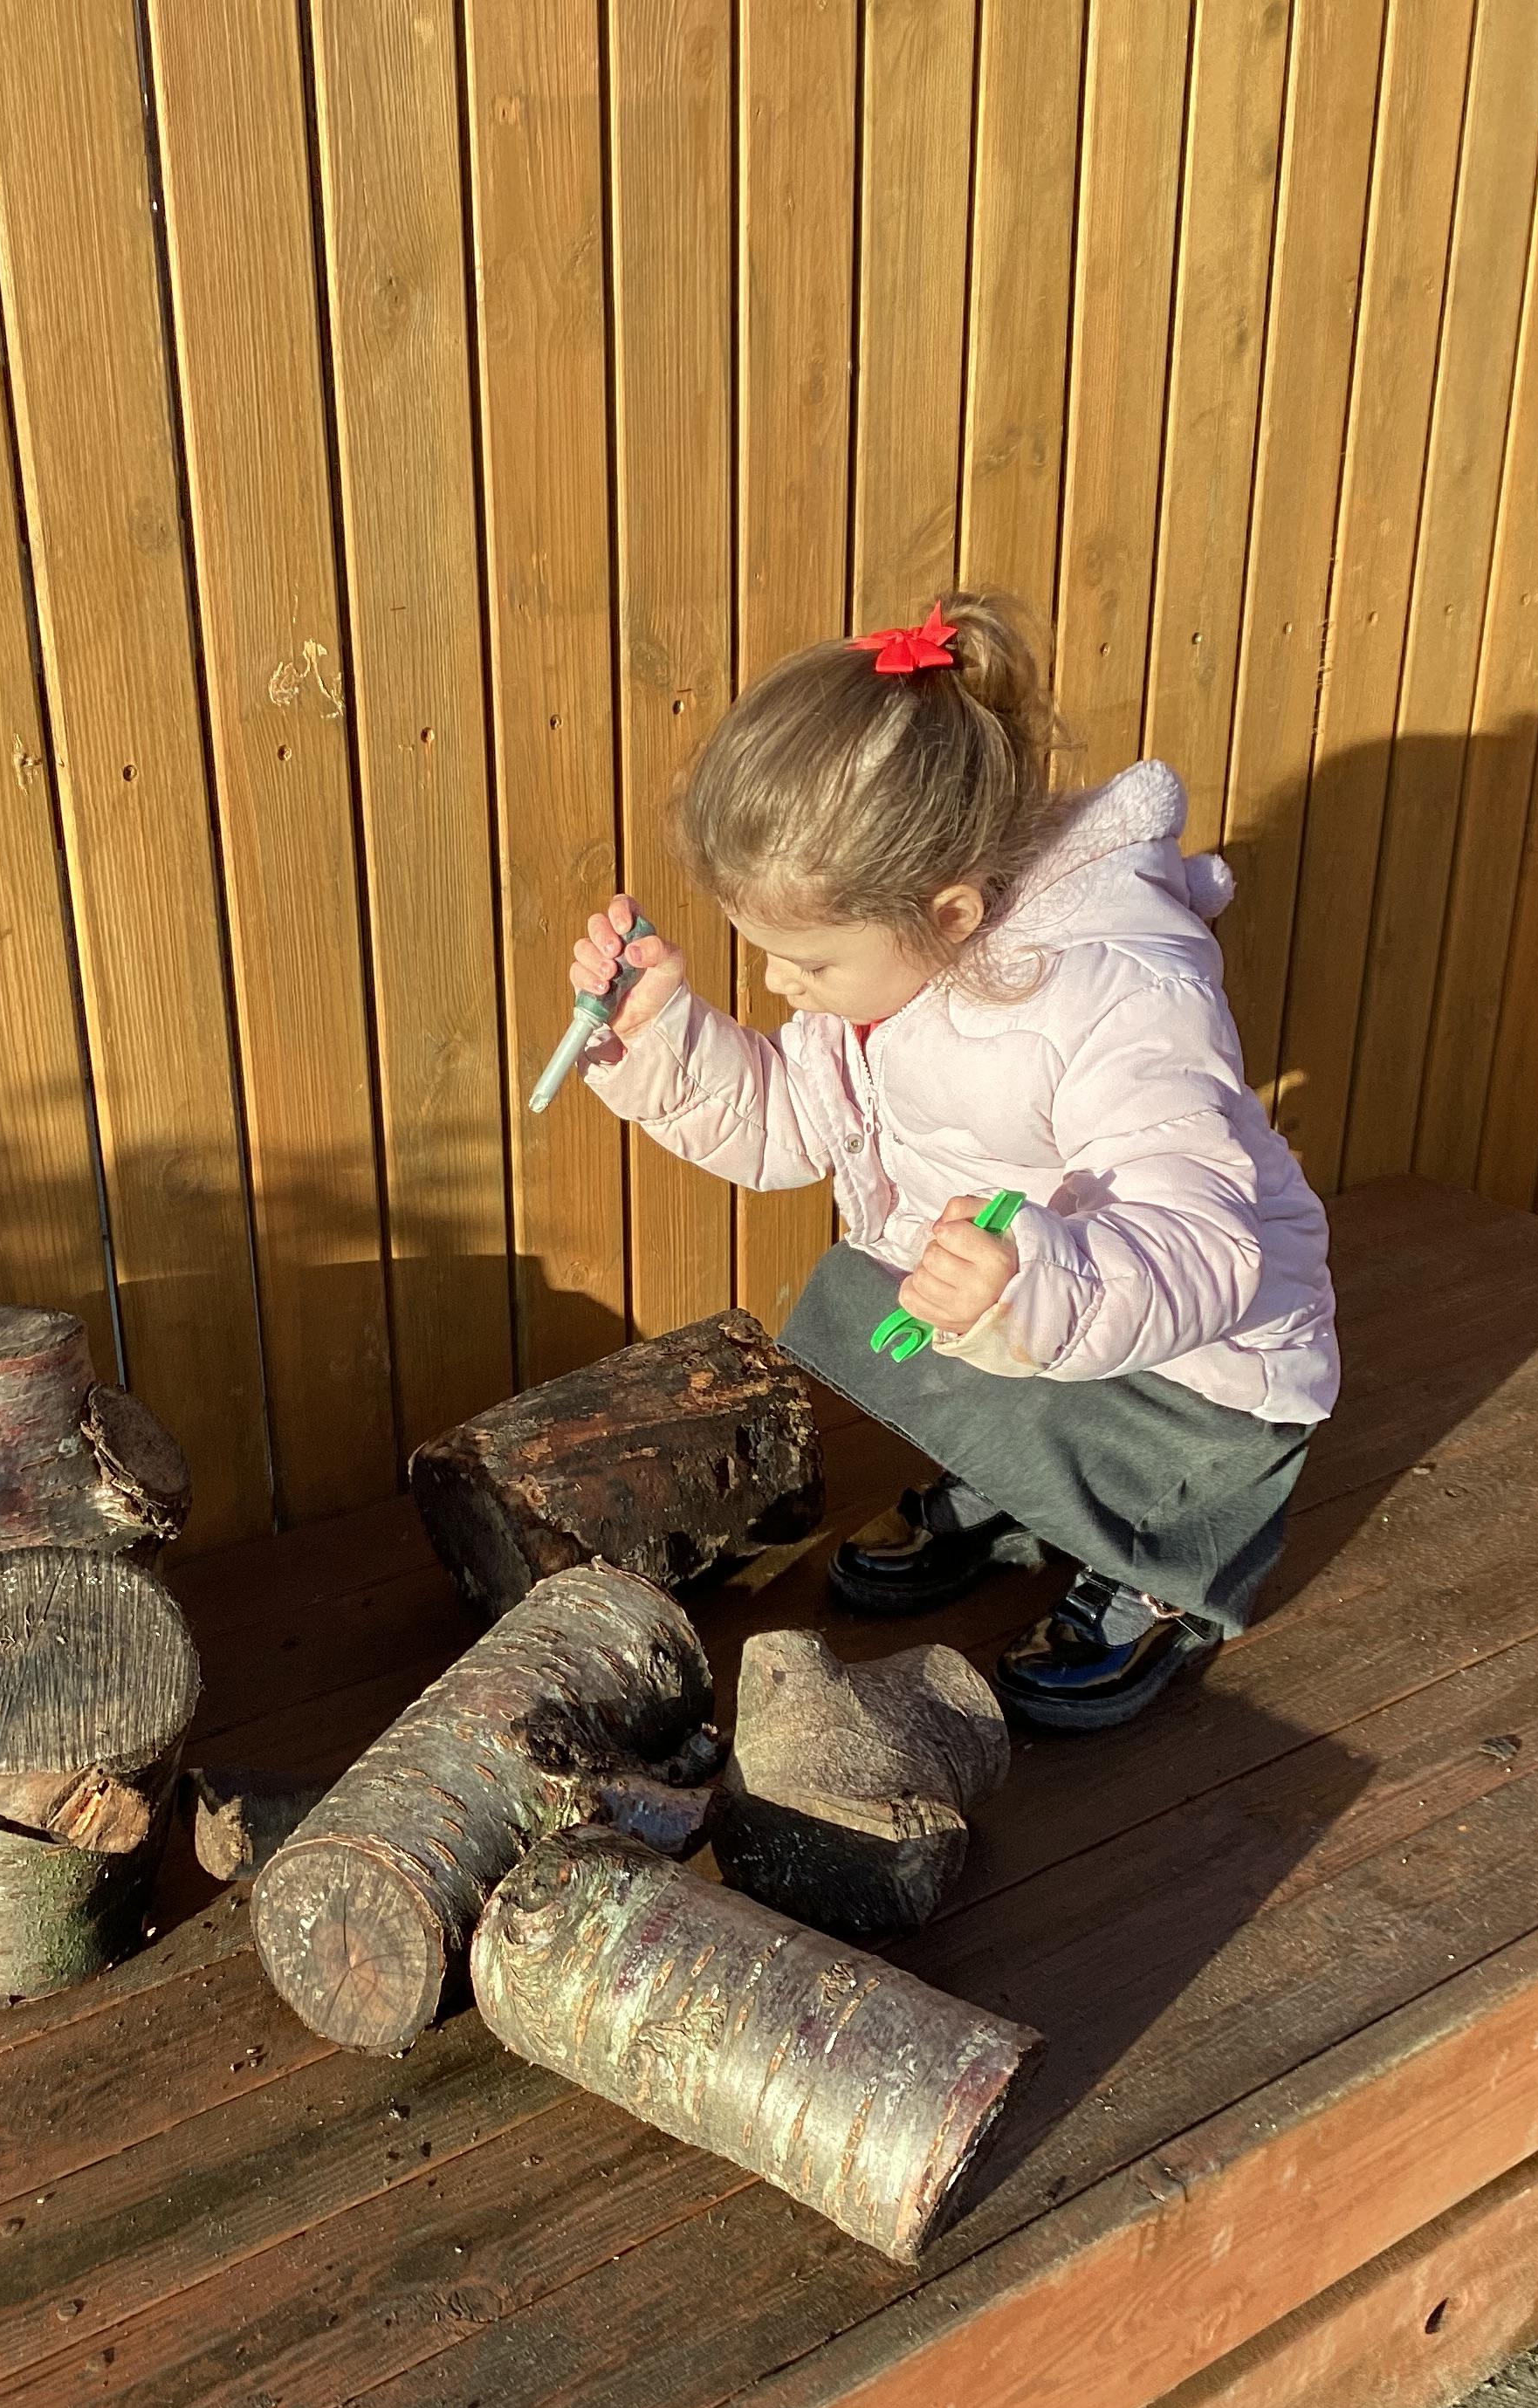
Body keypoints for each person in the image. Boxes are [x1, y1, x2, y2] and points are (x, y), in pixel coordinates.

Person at [567, 590, 1338, 1732]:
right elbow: (790, 1128)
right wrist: (661, 1043)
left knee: (1097, 1416)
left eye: (809, 962)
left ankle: (1155, 1570)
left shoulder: (1118, 997)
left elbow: (1207, 1249)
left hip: (1197, 1372)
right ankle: (1028, 1482)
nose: (781, 986)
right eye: (766, 954)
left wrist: (1034, 1283)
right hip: (1033, 1313)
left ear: (953, 911)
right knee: (863, 1300)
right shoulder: (881, 986)